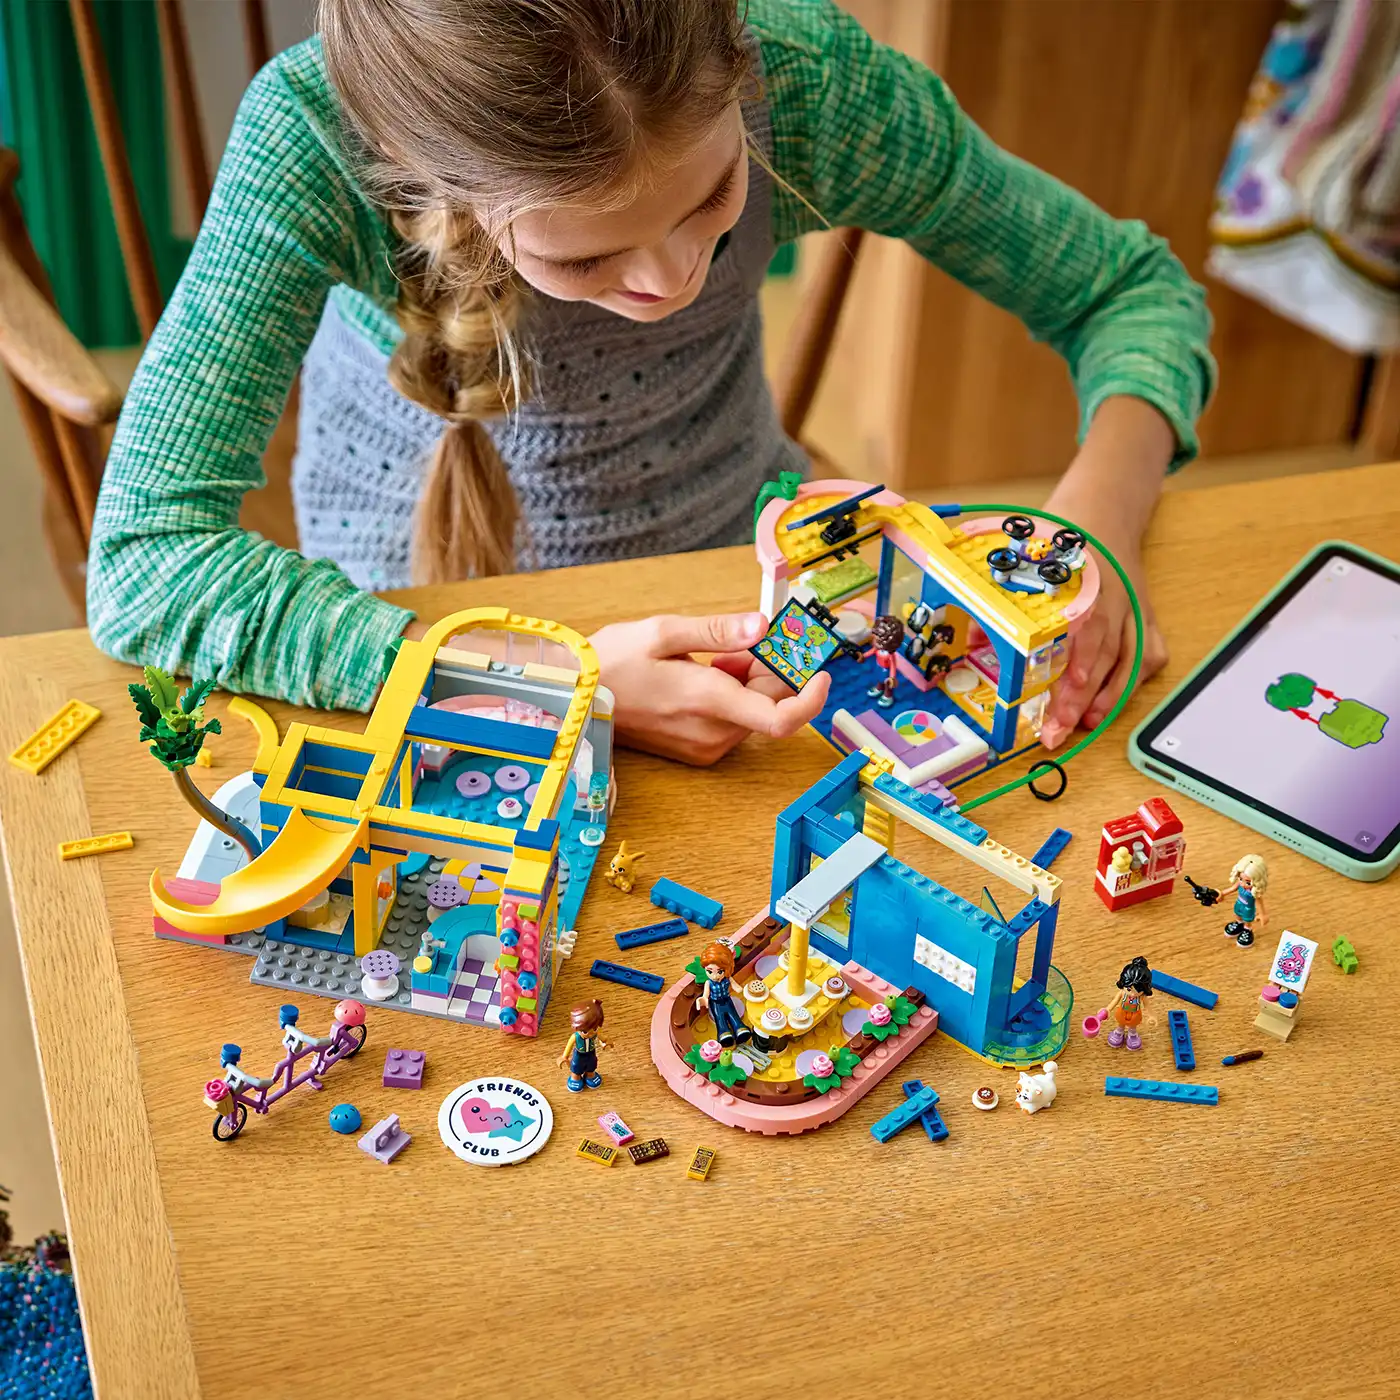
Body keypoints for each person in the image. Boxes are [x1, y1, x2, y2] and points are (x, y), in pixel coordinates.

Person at [86, 0, 1213, 766]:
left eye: (711, 199)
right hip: (409, 623)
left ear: (737, 62)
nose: (672, 279)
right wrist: (554, 686)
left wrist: (1095, 533)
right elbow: (146, 563)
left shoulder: (806, 80)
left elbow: (1130, 291)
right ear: (438, 186)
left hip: (738, 591)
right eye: (585, 259)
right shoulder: (309, 143)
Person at [697, 942, 749, 1047]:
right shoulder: (709, 983)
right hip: (715, 1003)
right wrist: (704, 999)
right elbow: (706, 994)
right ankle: (724, 1034)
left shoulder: (728, 978)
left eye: (720, 972)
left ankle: (740, 1029)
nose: (715, 976)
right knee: (720, 1018)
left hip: (727, 1000)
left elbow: (735, 985)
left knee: (732, 1014)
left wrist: (740, 989)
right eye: (710, 972)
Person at [557, 999, 609, 1091]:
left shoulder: (595, 1033)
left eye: (595, 1029)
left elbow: (603, 1039)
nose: (590, 1034)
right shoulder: (575, 1037)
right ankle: (575, 1078)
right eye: (585, 1032)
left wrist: (606, 1042)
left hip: (591, 1053)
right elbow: (569, 1046)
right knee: (576, 1067)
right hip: (579, 1054)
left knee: (592, 1065)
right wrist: (564, 1056)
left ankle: (590, 1075)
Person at [1104, 956, 1154, 1051]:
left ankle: (1132, 1035)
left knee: (1133, 1026)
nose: (1132, 994)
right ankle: (1119, 1032)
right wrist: (1107, 1009)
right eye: (1129, 989)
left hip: (1135, 1014)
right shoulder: (1122, 993)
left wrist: (1151, 1016)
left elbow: (1147, 1006)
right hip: (1122, 1012)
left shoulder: (1142, 996)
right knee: (1121, 1024)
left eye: (1138, 991)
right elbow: (1115, 1001)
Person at [1220, 854, 1270, 948]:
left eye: (1247, 882)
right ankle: (1238, 923)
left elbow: (1259, 903)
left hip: (1248, 908)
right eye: (1240, 879)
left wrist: (1262, 914)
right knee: (1237, 913)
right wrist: (1221, 893)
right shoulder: (1239, 884)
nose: (1243, 884)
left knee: (1247, 919)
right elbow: (1231, 889)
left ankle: (1247, 929)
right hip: (1239, 903)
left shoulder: (1254, 891)